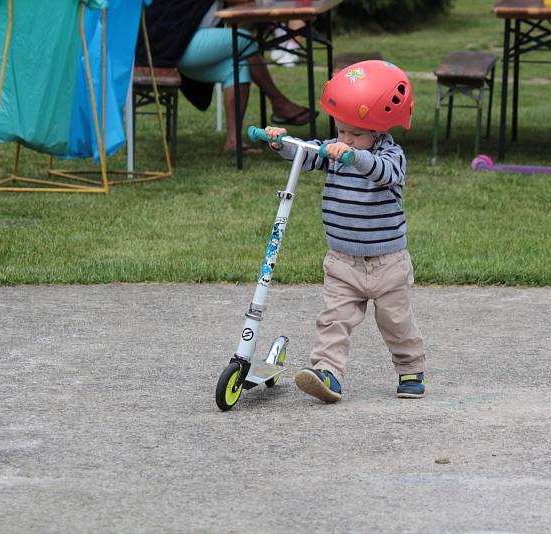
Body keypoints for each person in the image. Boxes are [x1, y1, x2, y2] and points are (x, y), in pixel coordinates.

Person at [263, 60, 427, 402]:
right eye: (341, 132)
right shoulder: (335, 152)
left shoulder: (391, 155)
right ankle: (328, 375)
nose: (345, 139)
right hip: (342, 262)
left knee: (397, 324)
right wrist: (283, 144)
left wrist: (353, 156)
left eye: (355, 133)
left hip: (388, 263)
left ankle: (410, 368)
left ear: (379, 131)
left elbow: (383, 172)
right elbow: (307, 155)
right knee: (332, 321)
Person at [136, 0, 314, 153]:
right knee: (246, 40)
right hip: (172, 45)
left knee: (237, 66)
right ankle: (279, 102)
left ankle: (233, 141)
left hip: (184, 42)